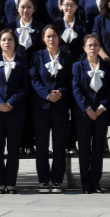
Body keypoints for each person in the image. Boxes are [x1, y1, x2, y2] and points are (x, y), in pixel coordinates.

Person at [30, 25, 73, 193]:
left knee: (59, 145)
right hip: (41, 106)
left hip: (61, 106)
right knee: (41, 145)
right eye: (48, 36)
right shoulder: (37, 56)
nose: (51, 39)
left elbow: (72, 80)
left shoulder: (68, 57)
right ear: (43, 38)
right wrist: (47, 94)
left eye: (54, 35)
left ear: (59, 37)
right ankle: (43, 180)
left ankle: (56, 180)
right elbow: (34, 78)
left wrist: (61, 92)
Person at [0, 28, 28, 194]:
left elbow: (25, 86)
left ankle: (11, 182)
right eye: (3, 39)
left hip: (15, 111)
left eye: (10, 39)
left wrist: (11, 103)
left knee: (13, 148)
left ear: (15, 42)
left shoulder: (23, 63)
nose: (7, 42)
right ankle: (0, 183)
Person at [71, 34, 110, 194]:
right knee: (84, 149)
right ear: (84, 48)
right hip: (83, 114)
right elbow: (76, 88)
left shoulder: (106, 66)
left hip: (101, 113)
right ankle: (86, 183)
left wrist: (102, 107)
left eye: (96, 45)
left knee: (98, 148)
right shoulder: (78, 66)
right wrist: (87, 108)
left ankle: (96, 181)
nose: (93, 48)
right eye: (90, 45)